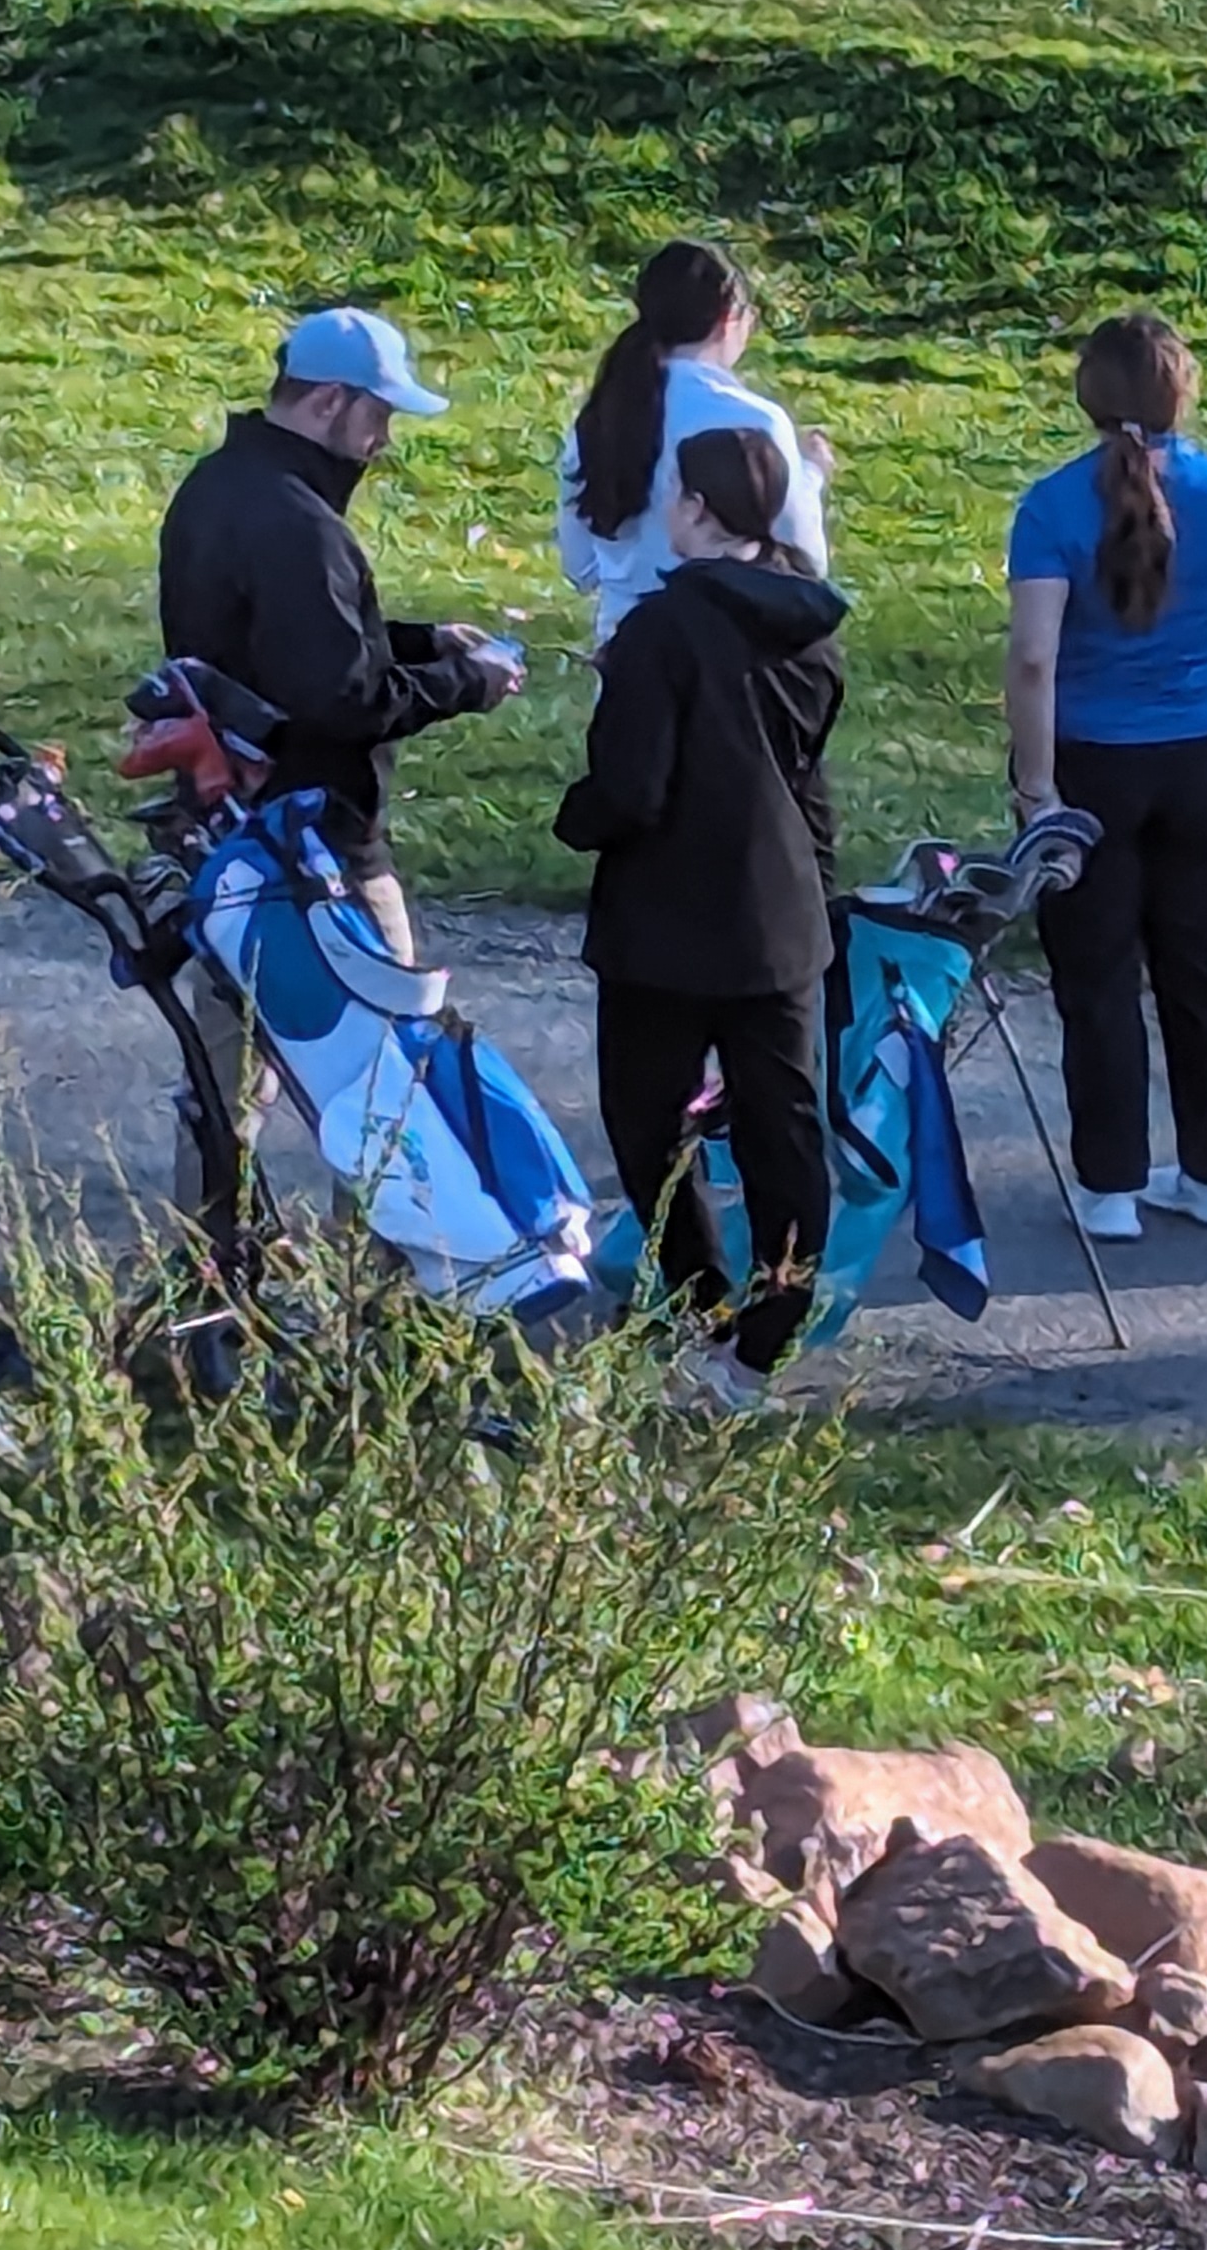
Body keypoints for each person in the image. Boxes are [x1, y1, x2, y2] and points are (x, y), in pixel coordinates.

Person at [157, 304, 523, 1205]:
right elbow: (341, 697)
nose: (383, 441)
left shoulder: (213, 489)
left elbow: (277, 645)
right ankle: (382, 1294)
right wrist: (467, 684)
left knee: (224, 1074)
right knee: (386, 1080)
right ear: (328, 403)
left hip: (228, 840)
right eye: (379, 415)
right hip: (323, 852)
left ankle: (200, 1269)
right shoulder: (302, 526)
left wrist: (419, 639)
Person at [554, 425, 846, 1398]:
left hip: (666, 925)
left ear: (703, 512)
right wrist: (821, 887)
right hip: (778, 914)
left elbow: (631, 789)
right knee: (783, 1126)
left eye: (677, 498)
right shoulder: (811, 622)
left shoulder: (660, 631)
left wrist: (573, 818)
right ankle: (770, 1329)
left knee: (649, 1125)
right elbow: (806, 775)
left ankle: (701, 1301)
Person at [1005, 313, 1207, 1244]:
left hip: (1092, 762)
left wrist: (1037, 789)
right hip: (1205, 754)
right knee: (1203, 963)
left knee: (1097, 975)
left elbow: (1035, 657)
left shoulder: (1050, 507)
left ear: (1089, 397)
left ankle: (1111, 1186)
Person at [557, 238, 831, 643]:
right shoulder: (754, 422)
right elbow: (807, 560)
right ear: (728, 319)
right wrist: (812, 476)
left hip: (626, 659)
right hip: (727, 659)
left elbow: (579, 567)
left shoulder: (600, 415)